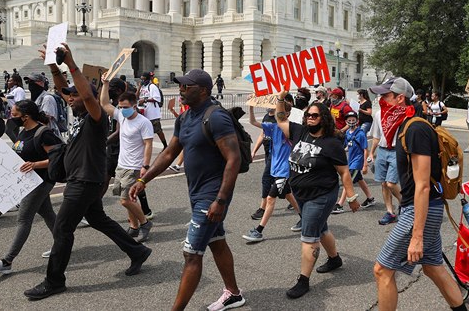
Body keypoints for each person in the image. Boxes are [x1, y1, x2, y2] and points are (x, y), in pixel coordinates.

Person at [24, 42, 151, 300]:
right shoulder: (78, 113)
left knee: (62, 229)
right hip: (84, 179)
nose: (68, 98)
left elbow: (88, 97)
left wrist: (71, 64)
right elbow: (63, 89)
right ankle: (137, 251)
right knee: (98, 219)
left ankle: (54, 280)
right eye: (68, 96)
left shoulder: (95, 117)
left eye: (74, 95)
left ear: (86, 97)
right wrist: (52, 63)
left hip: (83, 181)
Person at [129, 69, 245, 311]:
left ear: (202, 90)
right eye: (180, 85)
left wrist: (221, 200)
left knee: (191, 254)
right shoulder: (185, 117)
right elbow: (170, 152)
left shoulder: (216, 117)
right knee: (216, 241)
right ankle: (233, 293)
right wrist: (143, 180)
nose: (180, 89)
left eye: (186, 86)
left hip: (212, 195)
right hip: (196, 191)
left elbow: (233, 159)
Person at [373, 77, 468, 311]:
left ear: (399, 98)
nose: (380, 100)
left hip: (421, 208)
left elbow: (423, 185)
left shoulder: (415, 128)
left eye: (385, 96)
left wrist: (416, 236)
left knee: (382, 269)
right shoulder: (408, 125)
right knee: (432, 266)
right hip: (424, 207)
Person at [274, 88, 359, 299]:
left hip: (321, 196)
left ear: (324, 118)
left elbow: (344, 172)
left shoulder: (331, 144)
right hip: (301, 194)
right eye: (308, 115)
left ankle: (303, 281)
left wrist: (352, 197)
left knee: (309, 237)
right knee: (321, 229)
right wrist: (280, 98)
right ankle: (335, 259)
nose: (310, 119)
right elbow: (280, 118)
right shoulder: (300, 132)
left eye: (314, 115)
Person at [0, 100, 61, 275]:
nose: (10, 117)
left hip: (41, 181)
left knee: (23, 219)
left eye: (14, 114)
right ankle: (62, 243)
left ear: (25, 117)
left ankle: (7, 261)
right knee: (48, 213)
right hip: (28, 182)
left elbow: (57, 158)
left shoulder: (44, 133)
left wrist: (35, 165)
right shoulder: (22, 132)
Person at [100, 80, 154, 242]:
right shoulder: (121, 117)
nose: (122, 110)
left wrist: (145, 165)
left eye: (125, 107)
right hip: (121, 165)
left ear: (134, 105)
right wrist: (105, 84)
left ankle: (145, 223)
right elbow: (103, 103)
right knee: (130, 199)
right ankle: (134, 227)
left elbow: (148, 145)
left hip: (134, 167)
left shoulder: (143, 123)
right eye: (120, 107)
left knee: (125, 200)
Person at [243, 103, 301, 242]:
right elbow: (253, 122)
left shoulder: (291, 129)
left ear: (287, 113)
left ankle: (259, 231)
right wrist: (251, 106)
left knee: (270, 199)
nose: (276, 113)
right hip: (275, 168)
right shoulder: (273, 127)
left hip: (284, 170)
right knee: (288, 194)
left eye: (280, 111)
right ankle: (304, 218)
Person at [368, 78, 404, 225]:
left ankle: (407, 206)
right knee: (383, 183)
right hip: (382, 150)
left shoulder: (404, 114)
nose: (381, 98)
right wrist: (371, 153)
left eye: (385, 95)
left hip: (396, 151)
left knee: (391, 183)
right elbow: (376, 136)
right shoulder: (378, 114)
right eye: (380, 96)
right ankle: (390, 212)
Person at [332, 111, 375, 213]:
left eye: (353, 120)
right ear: (346, 121)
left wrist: (365, 164)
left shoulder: (360, 134)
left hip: (357, 162)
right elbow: (348, 146)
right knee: (359, 179)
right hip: (350, 160)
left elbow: (365, 149)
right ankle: (370, 198)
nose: (351, 122)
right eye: (349, 120)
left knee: (348, 181)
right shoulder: (347, 133)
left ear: (357, 121)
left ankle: (340, 204)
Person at [138, 72, 167, 149]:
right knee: (143, 131)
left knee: (158, 130)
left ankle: (165, 145)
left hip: (153, 113)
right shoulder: (142, 87)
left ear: (148, 79)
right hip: (144, 113)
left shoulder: (152, 87)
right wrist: (139, 87)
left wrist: (145, 100)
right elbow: (136, 96)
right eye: (141, 79)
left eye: (144, 79)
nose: (142, 81)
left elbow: (156, 98)